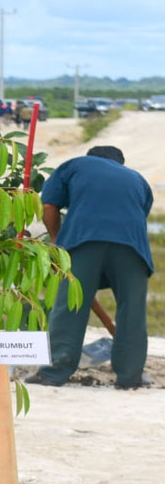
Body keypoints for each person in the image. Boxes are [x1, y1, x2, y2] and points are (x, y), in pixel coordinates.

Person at [28, 145, 153, 389]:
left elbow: (48, 206)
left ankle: (54, 373)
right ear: (121, 162)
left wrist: (56, 240)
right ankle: (130, 378)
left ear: (91, 158)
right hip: (133, 247)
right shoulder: (138, 180)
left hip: (84, 240)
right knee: (132, 311)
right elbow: (137, 215)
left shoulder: (74, 165)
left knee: (70, 305)